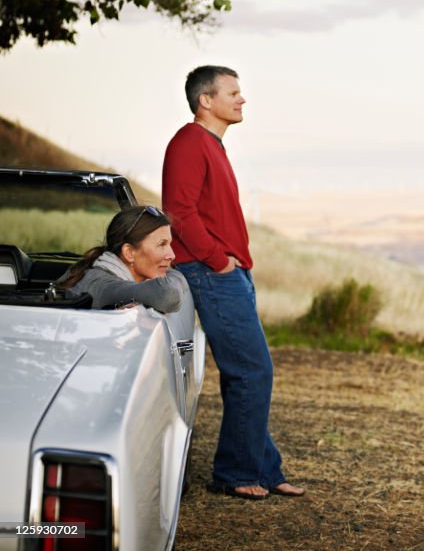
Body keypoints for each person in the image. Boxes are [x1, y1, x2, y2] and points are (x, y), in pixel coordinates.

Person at [162, 65, 304, 501]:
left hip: (228, 272)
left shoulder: (212, 145)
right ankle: (234, 472)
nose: (242, 100)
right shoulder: (189, 142)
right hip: (210, 274)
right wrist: (217, 261)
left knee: (246, 373)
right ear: (206, 100)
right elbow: (178, 212)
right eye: (234, 93)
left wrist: (235, 264)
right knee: (252, 370)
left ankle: (262, 467)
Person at [62, 205, 185, 313]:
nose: (172, 255)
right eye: (162, 244)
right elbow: (169, 294)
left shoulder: (107, 276)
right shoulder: (101, 284)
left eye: (169, 244)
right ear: (129, 253)